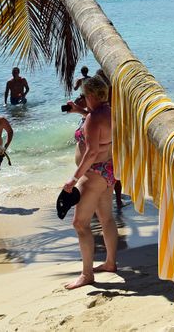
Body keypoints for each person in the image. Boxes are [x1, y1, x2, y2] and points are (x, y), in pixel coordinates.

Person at [61, 75, 118, 289]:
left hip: (93, 174)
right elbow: (99, 128)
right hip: (108, 171)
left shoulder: (94, 117)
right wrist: (80, 111)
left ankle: (87, 274)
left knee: (80, 223)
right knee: (106, 218)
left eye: (84, 95)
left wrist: (74, 178)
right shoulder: (109, 111)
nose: (83, 98)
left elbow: (92, 151)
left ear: (91, 95)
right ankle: (110, 262)